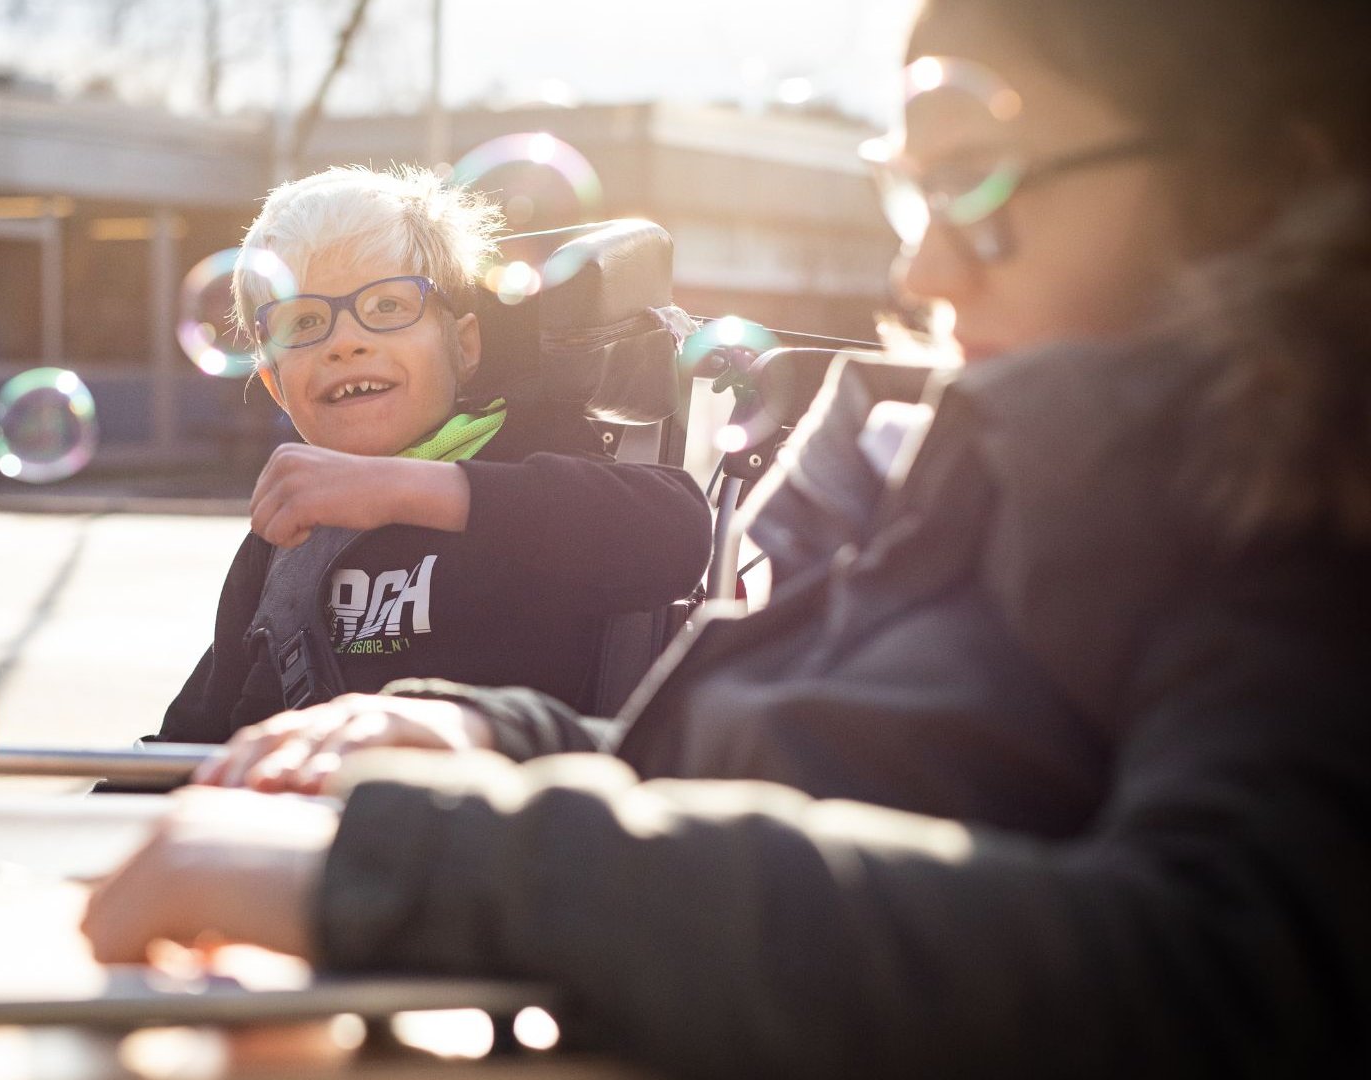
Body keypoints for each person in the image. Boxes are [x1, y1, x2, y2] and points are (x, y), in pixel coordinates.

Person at [87, 0, 1371, 1074]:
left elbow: (1234, 968)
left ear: (1261, 187)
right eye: (913, 187)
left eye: (978, 176)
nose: (919, 276)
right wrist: (487, 735)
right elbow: (762, 787)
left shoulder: (1285, 503)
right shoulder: (902, 459)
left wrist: (429, 865)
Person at [155, 165, 712, 743]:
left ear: (463, 346)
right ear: (277, 387)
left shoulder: (528, 460)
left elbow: (678, 531)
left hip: (477, 819)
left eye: (389, 307)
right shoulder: (286, 533)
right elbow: (192, 738)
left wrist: (404, 489)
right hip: (279, 815)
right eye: (305, 322)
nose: (346, 342)